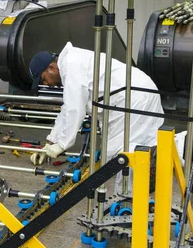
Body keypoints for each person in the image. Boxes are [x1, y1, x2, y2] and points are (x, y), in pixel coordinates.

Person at [28, 42, 165, 169]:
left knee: (119, 157)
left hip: (133, 98)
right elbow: (67, 110)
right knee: (148, 143)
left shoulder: (72, 67)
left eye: (43, 79)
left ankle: (128, 193)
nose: (46, 84)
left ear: (51, 68)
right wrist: (50, 143)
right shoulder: (72, 62)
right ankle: (167, 161)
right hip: (142, 90)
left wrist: (62, 144)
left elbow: (74, 110)